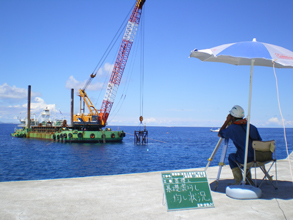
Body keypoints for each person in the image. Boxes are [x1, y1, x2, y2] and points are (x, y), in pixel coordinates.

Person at [218, 105, 262, 185]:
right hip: (259, 158)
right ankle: (248, 180)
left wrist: (227, 121)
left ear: (232, 116)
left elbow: (220, 133)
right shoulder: (252, 127)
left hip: (245, 159)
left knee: (232, 157)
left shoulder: (232, 128)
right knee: (245, 154)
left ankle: (239, 181)